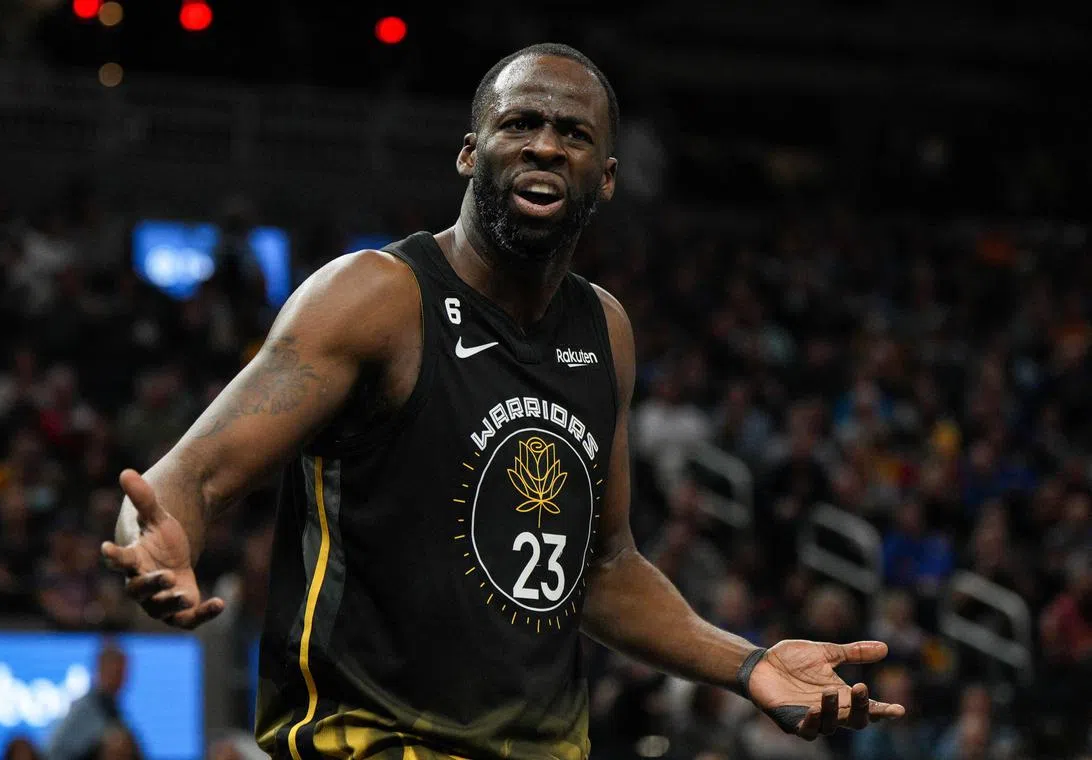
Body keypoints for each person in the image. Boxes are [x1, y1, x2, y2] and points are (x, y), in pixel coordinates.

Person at [101, 42, 905, 759]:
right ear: (468, 153)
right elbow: (188, 481)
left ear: (609, 177)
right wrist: (154, 537)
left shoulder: (605, 331)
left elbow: (605, 569)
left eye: (574, 133)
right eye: (520, 123)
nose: (546, 146)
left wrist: (749, 663)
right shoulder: (376, 297)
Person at [45, 643, 133, 760]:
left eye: (122, 671)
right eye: (114, 670)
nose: (119, 677)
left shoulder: (112, 709)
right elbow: (54, 751)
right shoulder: (85, 708)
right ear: (100, 669)